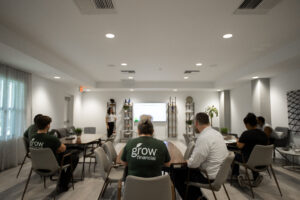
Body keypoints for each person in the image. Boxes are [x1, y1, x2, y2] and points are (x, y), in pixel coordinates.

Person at [173, 112, 228, 200]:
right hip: (220, 174)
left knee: (176, 172)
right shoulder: (217, 134)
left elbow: (193, 164)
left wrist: (187, 161)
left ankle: (194, 198)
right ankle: (198, 197)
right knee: (185, 171)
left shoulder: (204, 137)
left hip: (209, 177)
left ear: (196, 123)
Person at [30, 115, 79, 195]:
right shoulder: (51, 138)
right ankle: (62, 184)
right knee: (73, 157)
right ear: (48, 125)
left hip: (37, 166)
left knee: (66, 155)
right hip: (52, 166)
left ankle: (62, 181)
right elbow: (63, 148)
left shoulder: (32, 138)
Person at [232, 113, 268, 187]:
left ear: (247, 124)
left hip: (250, 161)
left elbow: (239, 146)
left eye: (245, 124)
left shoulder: (246, 134)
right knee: (253, 156)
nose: (245, 126)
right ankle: (256, 176)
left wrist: (238, 141)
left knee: (233, 155)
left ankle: (235, 175)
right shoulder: (264, 134)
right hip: (264, 162)